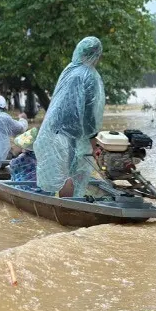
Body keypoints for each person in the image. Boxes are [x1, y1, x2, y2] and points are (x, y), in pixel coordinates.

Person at [33, 36, 105, 197]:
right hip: (70, 134)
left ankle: (57, 203)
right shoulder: (89, 76)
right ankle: (68, 208)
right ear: (97, 55)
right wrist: (94, 142)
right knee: (71, 173)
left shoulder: (70, 69)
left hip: (52, 129)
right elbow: (88, 115)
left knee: (61, 171)